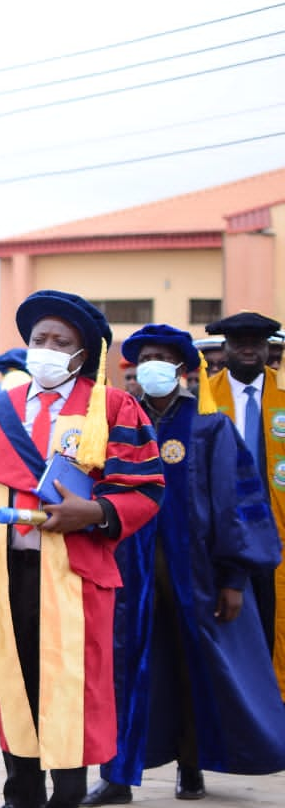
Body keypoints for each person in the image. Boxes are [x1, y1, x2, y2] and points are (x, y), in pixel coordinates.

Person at [83, 325, 285, 806]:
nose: (151, 365)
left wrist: (234, 578)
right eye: (144, 357)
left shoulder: (208, 426)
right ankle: (117, 776)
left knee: (195, 670)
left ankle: (190, 767)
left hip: (193, 577)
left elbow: (238, 503)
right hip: (129, 576)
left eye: (162, 357)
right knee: (124, 674)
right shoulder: (119, 424)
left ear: (183, 370)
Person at [0, 290, 164, 808]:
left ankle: (67, 794)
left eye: (61, 341)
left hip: (75, 573)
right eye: (39, 339)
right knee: (14, 680)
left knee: (72, 688)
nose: (47, 348)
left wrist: (99, 513)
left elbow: (147, 487)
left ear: (83, 355)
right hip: (6, 572)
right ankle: (20, 792)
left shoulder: (110, 407)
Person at [203, 311, 285, 699]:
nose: (249, 348)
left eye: (257, 341)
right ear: (226, 348)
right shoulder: (204, 395)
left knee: (275, 621)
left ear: (270, 347)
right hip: (223, 533)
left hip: (276, 533)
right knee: (227, 621)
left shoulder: (283, 393)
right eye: (240, 342)